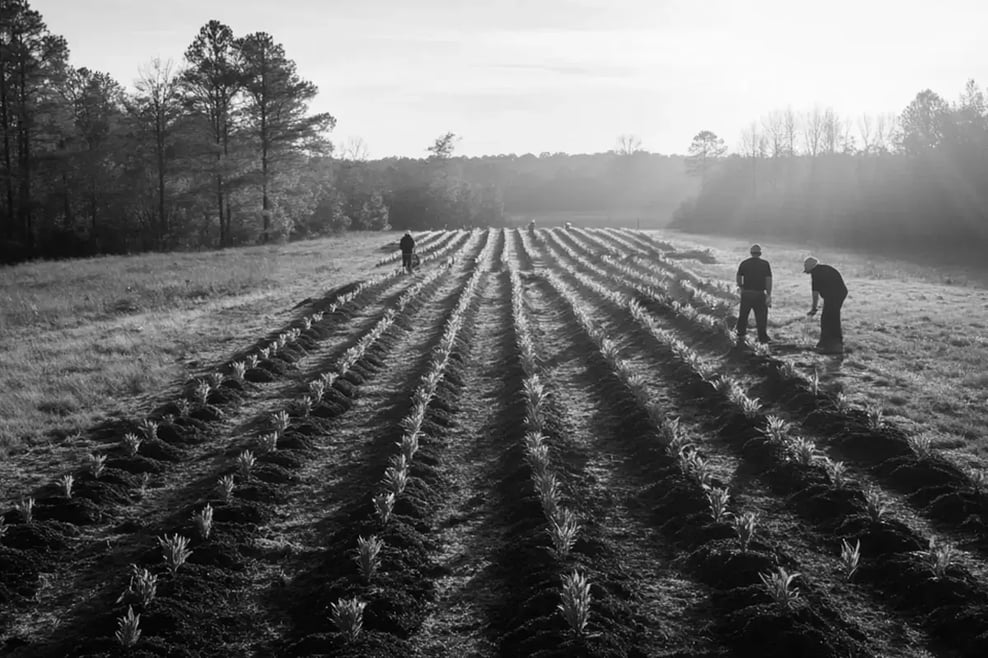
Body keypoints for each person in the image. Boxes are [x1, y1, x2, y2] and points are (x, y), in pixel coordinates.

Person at [804, 256, 847, 354]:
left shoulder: (816, 274)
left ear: (810, 268)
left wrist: (813, 308)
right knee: (831, 317)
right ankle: (833, 342)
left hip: (834, 295)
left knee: (827, 318)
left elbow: (815, 293)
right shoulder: (823, 268)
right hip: (840, 293)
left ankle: (827, 343)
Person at [735, 243, 772, 344]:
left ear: (751, 253)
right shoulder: (765, 264)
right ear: (760, 253)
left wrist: (741, 287)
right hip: (759, 294)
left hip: (746, 294)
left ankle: (740, 337)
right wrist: (768, 294)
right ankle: (762, 338)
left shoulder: (744, 263)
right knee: (761, 317)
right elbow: (768, 280)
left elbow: (738, 278)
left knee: (743, 316)